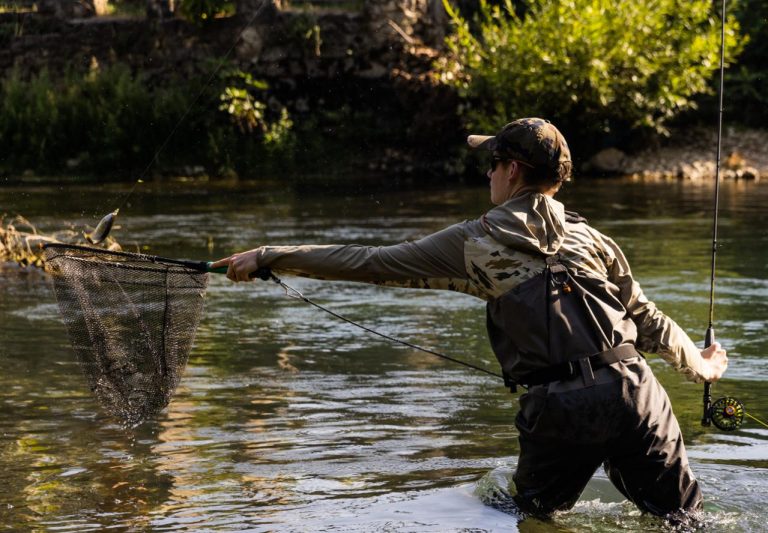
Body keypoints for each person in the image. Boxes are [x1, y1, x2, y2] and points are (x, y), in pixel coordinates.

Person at [211, 118, 728, 519]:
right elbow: (646, 317)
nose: (487, 173)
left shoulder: (473, 242)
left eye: (492, 163)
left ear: (513, 171)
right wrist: (701, 366)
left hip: (563, 410)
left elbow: (371, 263)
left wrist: (270, 255)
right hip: (639, 393)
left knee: (521, 515)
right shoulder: (593, 238)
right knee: (685, 520)